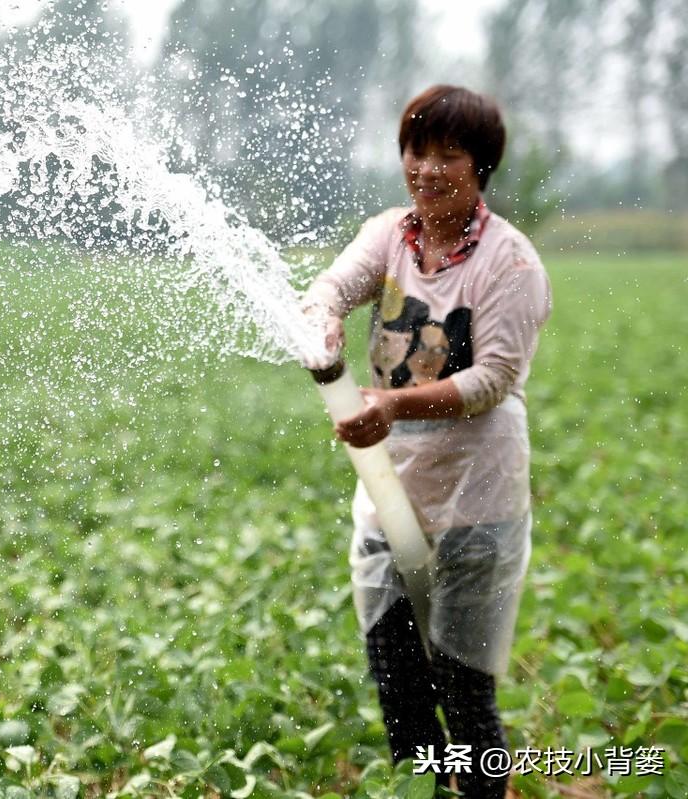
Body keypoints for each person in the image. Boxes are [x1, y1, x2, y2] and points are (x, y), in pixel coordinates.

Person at [301, 85, 553, 798]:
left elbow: (494, 378)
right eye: (417, 150)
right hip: (389, 495)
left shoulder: (511, 263)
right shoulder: (388, 235)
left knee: (465, 695)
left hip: (477, 504)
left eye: (449, 154)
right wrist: (320, 321)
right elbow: (330, 288)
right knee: (400, 686)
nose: (428, 168)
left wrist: (392, 402)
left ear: (481, 165)